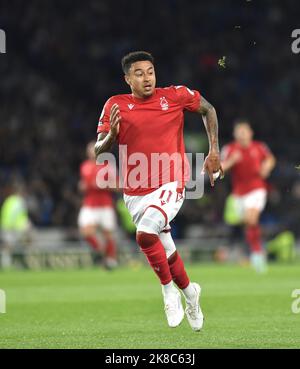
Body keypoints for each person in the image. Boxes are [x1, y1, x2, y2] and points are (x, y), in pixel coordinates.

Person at [95, 51, 223, 331]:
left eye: (150, 71)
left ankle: (168, 292)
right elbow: (97, 150)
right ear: (127, 79)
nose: (147, 78)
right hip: (135, 191)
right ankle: (191, 294)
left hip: (172, 181)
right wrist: (111, 137)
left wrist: (214, 149)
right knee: (165, 250)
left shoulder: (174, 96)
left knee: (145, 234)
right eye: (139, 73)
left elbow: (208, 109)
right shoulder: (115, 104)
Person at [221, 120, 276, 273]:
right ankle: (256, 250)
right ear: (235, 134)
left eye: (244, 131)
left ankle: (257, 254)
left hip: (257, 189)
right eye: (239, 132)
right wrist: (232, 161)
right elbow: (220, 169)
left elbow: (271, 159)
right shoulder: (230, 149)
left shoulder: (259, 147)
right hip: (238, 194)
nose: (242, 134)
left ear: (250, 133)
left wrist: (266, 167)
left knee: (252, 219)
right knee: (248, 223)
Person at [78, 141, 118, 269]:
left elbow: (118, 185)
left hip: (105, 204)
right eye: (90, 150)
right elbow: (84, 184)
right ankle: (102, 253)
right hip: (90, 204)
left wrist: (103, 185)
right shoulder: (85, 166)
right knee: (86, 231)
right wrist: (83, 186)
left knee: (108, 234)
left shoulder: (108, 165)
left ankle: (111, 261)